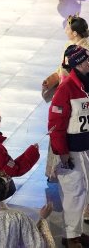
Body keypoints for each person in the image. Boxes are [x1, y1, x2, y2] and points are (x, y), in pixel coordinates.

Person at [49, 44, 89, 245]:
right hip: (72, 150)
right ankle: (70, 236)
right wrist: (62, 153)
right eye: (87, 59)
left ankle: (77, 230)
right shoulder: (65, 89)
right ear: (78, 64)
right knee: (74, 192)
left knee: (84, 191)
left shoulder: (86, 83)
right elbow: (56, 126)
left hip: (86, 147)